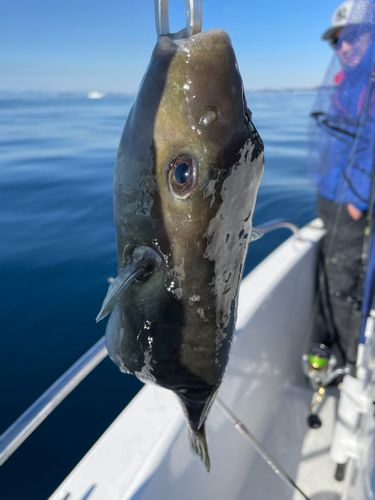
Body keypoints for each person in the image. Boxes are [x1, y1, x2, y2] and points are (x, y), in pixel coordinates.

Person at [308, 0, 375, 367]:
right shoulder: (346, 84)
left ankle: (348, 365)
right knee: (329, 274)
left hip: (350, 206)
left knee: (341, 284)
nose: (343, 47)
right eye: (337, 42)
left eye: (351, 37)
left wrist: (355, 201)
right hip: (331, 199)